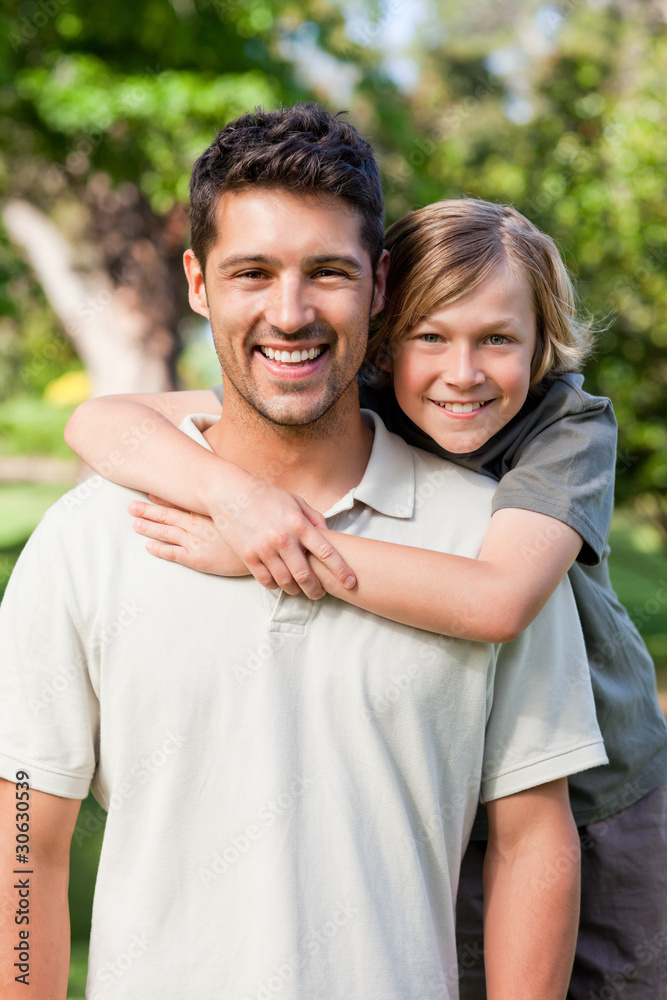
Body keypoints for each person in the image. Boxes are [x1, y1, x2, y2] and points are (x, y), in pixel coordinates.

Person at [0, 104, 608, 1000]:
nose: (289, 314)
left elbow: (531, 839)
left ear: (378, 285)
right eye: (253, 272)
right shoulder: (90, 535)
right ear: (199, 282)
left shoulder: (494, 539)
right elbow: (23, 837)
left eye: (326, 272)